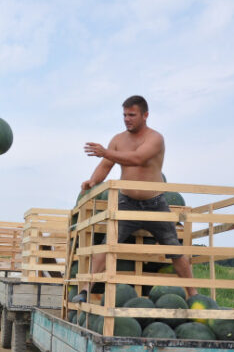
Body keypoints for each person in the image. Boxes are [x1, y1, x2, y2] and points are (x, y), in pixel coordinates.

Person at [79, 95, 197, 299]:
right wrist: (92, 181)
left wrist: (105, 152)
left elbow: (137, 158)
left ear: (145, 115)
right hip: (126, 203)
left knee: (175, 248)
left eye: (132, 115)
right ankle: (85, 289)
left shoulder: (155, 138)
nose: (127, 119)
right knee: (108, 244)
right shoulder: (117, 140)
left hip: (156, 204)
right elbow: (105, 166)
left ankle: (193, 293)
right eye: (124, 115)